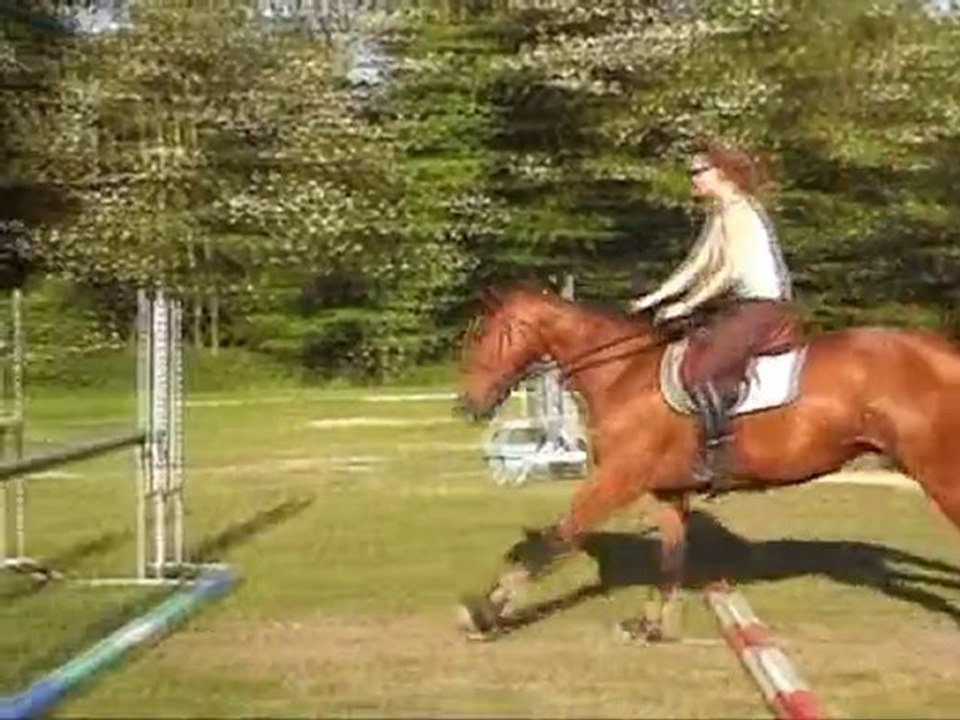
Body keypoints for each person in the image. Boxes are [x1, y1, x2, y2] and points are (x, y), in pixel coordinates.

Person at [629, 143, 802, 493]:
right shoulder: (720, 213)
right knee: (691, 356)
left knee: (702, 370)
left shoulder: (739, 212)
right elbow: (697, 265)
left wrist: (686, 305)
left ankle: (719, 460)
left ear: (719, 174)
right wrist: (654, 298)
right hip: (742, 306)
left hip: (762, 307)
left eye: (698, 172)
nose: (693, 179)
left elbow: (727, 272)